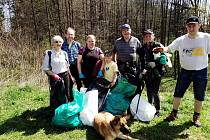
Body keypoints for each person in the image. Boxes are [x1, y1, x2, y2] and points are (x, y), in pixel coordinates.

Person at [155, 16, 210, 127]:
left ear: (199, 26)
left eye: (194, 25)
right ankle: (173, 114)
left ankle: (196, 117)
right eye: (189, 25)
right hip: (185, 72)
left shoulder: (206, 38)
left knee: (199, 96)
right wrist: (162, 49)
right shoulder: (181, 40)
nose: (191, 28)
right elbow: (169, 48)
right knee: (178, 93)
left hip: (201, 71)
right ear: (186, 27)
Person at [43, 35, 74, 114]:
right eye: (56, 42)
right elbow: (46, 68)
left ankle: (65, 111)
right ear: (52, 44)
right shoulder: (49, 54)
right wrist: (54, 75)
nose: (58, 43)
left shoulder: (64, 53)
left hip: (65, 75)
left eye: (60, 42)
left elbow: (67, 66)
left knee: (67, 93)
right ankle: (55, 112)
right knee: (55, 95)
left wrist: (71, 76)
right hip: (54, 76)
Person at [140, 29, 166, 117]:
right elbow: (141, 60)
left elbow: (165, 59)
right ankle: (150, 107)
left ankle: (157, 110)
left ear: (153, 36)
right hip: (147, 72)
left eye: (149, 36)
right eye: (146, 36)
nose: (148, 37)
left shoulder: (158, 46)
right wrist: (142, 69)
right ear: (144, 38)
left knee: (155, 91)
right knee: (149, 91)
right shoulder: (143, 47)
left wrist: (156, 63)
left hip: (157, 72)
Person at [112, 24, 143, 97]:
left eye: (127, 30)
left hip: (132, 67)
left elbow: (141, 54)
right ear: (122, 32)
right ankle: (123, 102)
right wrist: (114, 63)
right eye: (123, 31)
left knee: (133, 85)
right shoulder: (117, 41)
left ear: (130, 31)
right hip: (121, 67)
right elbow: (114, 52)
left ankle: (132, 102)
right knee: (122, 85)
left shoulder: (136, 41)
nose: (126, 32)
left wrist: (140, 67)